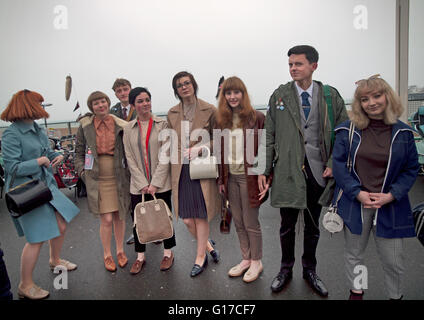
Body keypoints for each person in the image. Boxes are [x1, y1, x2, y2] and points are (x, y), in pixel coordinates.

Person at [258, 45, 348, 297]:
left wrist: (333, 162)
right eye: (290, 64)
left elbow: (343, 134)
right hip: (287, 171)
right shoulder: (279, 95)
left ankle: (310, 270)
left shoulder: (330, 96)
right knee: (286, 226)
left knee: (313, 226)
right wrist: (264, 169)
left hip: (320, 172)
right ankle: (285, 269)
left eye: (298, 64)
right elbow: (269, 135)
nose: (293, 68)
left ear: (313, 66)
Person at [332, 75, 419, 300]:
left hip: (390, 205)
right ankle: (358, 292)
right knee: (355, 256)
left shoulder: (404, 133)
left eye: (377, 96)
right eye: (364, 99)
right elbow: (339, 166)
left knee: (393, 260)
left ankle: (395, 296)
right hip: (356, 203)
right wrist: (357, 192)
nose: (371, 103)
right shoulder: (346, 130)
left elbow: (411, 170)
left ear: (387, 96)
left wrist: (392, 195)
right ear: (359, 103)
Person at [0, 90, 80, 299]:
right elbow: (12, 167)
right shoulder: (11, 133)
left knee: (61, 223)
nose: (43, 109)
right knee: (36, 238)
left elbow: (46, 153)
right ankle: (25, 285)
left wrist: (58, 155)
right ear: (28, 106)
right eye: (40, 104)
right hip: (27, 192)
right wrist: (40, 162)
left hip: (46, 186)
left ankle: (55, 260)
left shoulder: (36, 129)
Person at [167, 71, 220, 277]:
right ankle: (207, 244)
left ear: (193, 84)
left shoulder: (210, 109)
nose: (184, 87)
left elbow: (220, 138)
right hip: (180, 171)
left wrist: (201, 147)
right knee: (187, 220)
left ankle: (200, 257)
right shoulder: (172, 113)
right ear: (176, 90)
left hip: (202, 168)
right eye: (179, 85)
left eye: (187, 82)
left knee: (201, 215)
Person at [216, 76, 267, 283]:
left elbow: (266, 149)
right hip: (230, 178)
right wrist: (220, 179)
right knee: (237, 221)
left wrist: (267, 177)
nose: (232, 96)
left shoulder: (257, 118)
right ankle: (246, 259)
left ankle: (257, 261)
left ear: (243, 94)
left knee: (251, 222)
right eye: (228, 93)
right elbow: (220, 152)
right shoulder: (222, 120)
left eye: (236, 92)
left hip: (250, 178)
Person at [75, 91, 131, 272]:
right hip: (97, 178)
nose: (101, 105)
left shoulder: (119, 124)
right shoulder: (85, 126)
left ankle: (121, 251)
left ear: (108, 103)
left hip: (118, 176)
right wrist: (82, 172)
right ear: (91, 107)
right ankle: (107, 254)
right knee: (106, 218)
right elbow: (79, 152)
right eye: (96, 103)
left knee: (119, 216)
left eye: (103, 101)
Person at [123, 87, 176, 274]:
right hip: (138, 185)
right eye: (140, 101)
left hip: (160, 182)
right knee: (139, 219)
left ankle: (168, 253)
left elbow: (166, 154)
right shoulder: (128, 129)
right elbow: (129, 157)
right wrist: (143, 184)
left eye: (147, 99)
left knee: (164, 218)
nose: (145, 104)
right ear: (132, 105)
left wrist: (155, 183)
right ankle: (140, 257)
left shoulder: (162, 125)